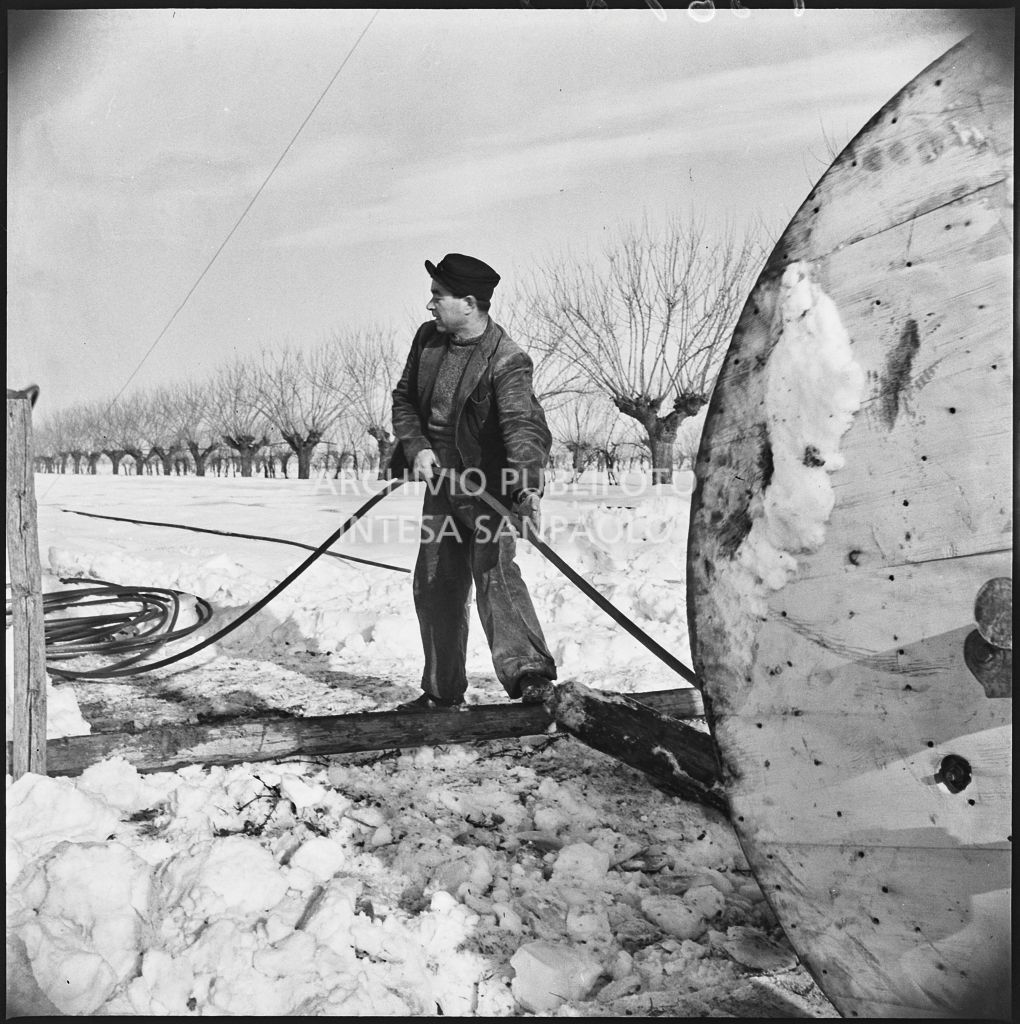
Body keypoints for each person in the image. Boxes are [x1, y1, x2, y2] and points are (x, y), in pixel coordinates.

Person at [387, 253, 558, 711]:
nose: (429, 306)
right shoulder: (428, 340)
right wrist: (416, 445)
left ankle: (532, 679)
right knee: (435, 579)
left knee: (495, 574)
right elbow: (404, 400)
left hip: (489, 490)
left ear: (468, 302)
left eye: (437, 297)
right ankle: (442, 693)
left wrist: (526, 487)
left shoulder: (507, 359)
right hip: (440, 484)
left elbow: (524, 425)